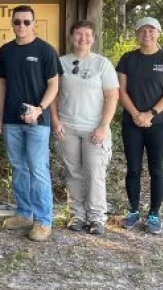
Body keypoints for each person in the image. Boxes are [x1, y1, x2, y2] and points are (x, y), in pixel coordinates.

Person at [0, 5, 60, 242]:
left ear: (34, 24)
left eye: (26, 22)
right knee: (18, 167)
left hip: (38, 121)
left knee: (38, 169)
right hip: (12, 121)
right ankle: (24, 213)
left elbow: (54, 85)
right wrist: (1, 116)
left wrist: (39, 109)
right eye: (17, 22)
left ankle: (44, 220)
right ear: (12, 24)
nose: (21, 26)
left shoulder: (45, 51)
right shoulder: (5, 51)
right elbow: (1, 84)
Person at [50, 20, 119, 236]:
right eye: (78, 34)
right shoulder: (60, 62)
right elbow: (53, 94)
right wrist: (55, 120)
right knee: (73, 173)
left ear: (94, 38)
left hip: (94, 129)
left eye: (87, 35)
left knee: (95, 172)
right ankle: (77, 215)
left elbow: (112, 96)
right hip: (67, 126)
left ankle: (97, 217)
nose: (83, 39)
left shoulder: (102, 64)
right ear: (71, 38)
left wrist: (103, 126)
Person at [116, 17, 163, 235]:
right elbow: (121, 91)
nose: (147, 34)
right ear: (136, 34)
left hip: (159, 123)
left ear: (158, 33)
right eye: (142, 30)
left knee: (156, 169)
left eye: (151, 30)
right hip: (132, 122)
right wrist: (136, 114)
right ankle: (133, 211)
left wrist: (150, 114)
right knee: (133, 168)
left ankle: (154, 214)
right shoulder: (127, 59)